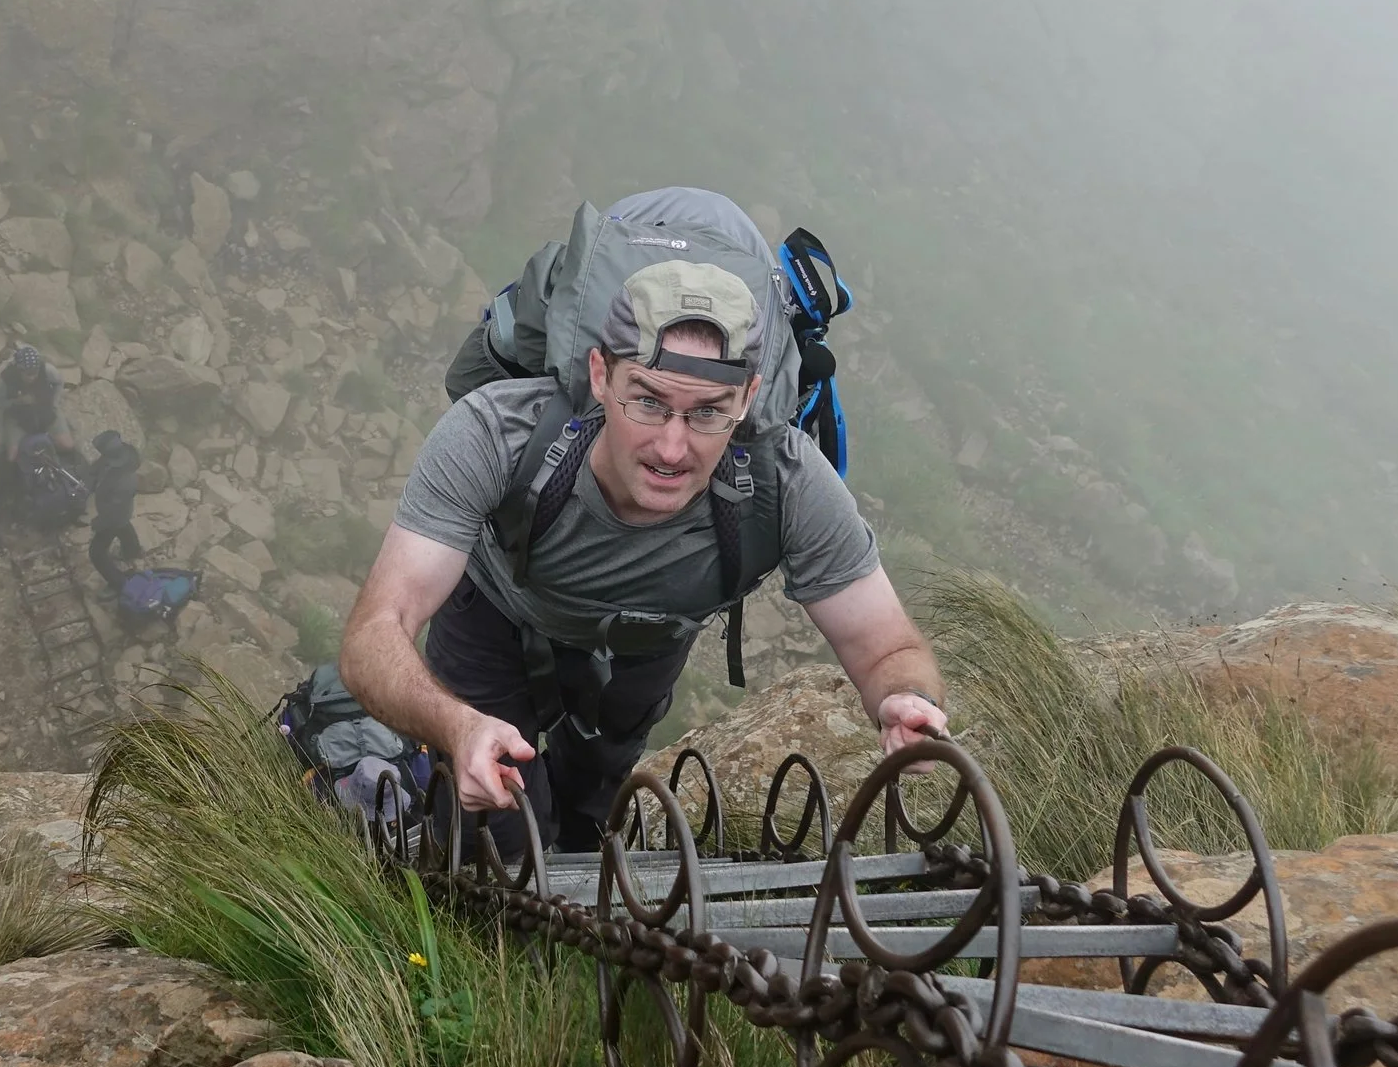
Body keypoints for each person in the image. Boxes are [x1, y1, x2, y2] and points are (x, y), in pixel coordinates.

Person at [338, 264, 946, 856]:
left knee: (592, 811)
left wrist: (905, 697)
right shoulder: (498, 434)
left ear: (748, 397)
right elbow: (374, 634)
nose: (672, 448)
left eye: (708, 411)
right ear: (600, 375)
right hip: (495, 618)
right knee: (498, 835)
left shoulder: (785, 479)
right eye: (648, 402)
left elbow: (886, 648)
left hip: (643, 648)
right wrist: (457, 726)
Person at [0, 343, 75, 462]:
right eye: (28, 374)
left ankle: (48, 448)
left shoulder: (47, 370)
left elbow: (59, 382)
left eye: (35, 373)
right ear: (19, 370)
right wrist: (17, 401)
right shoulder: (6, 378)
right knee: (12, 457)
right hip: (17, 418)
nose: (32, 377)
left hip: (46, 412)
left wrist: (54, 402)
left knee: (68, 445)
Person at [86, 430, 144, 588]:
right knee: (124, 526)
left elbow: (114, 514)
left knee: (96, 553)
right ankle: (133, 551)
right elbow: (96, 469)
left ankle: (119, 583)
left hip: (114, 515)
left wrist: (100, 522)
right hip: (120, 514)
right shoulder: (119, 459)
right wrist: (88, 480)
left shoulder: (124, 482)